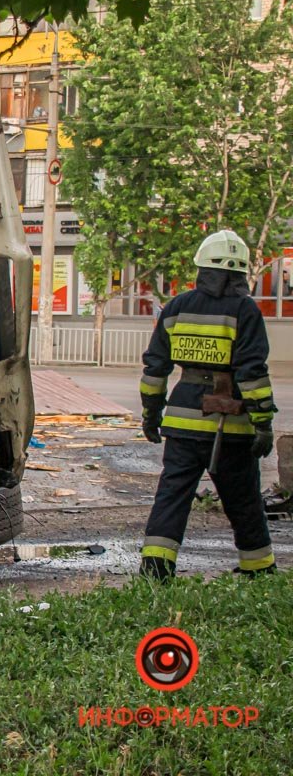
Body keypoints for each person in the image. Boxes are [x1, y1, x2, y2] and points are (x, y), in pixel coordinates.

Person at [138, 230, 278, 580]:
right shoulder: (245, 310)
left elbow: (156, 368)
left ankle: (156, 567)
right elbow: (252, 373)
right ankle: (258, 568)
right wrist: (263, 423)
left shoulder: (177, 307)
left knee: (172, 494)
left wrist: (151, 415)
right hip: (228, 426)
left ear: (201, 266)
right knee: (243, 499)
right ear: (242, 273)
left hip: (183, 422)